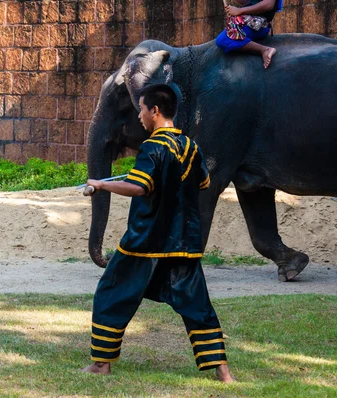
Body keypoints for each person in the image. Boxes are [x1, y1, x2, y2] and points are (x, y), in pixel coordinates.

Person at [80, 84, 234, 383]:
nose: (139, 116)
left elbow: (140, 187)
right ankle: (223, 372)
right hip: (184, 243)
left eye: (141, 109)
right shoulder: (191, 147)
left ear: (155, 111)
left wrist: (101, 184)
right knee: (197, 305)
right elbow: (202, 183)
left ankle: (101, 365)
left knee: (111, 294)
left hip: (145, 242)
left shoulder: (151, 148)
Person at [216, 0, 283, 69]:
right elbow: (246, 1)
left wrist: (240, 10)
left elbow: (268, 5)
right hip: (248, 21)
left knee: (223, 40)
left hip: (259, 25)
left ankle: (264, 50)